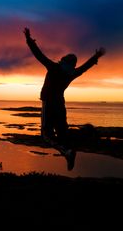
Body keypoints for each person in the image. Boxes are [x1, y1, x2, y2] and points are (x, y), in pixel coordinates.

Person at [23, 27, 106, 170]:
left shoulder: (54, 68)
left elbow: (38, 55)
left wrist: (29, 40)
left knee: (46, 135)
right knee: (63, 134)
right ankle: (83, 136)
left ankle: (67, 152)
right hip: (60, 105)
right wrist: (96, 57)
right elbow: (84, 67)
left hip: (49, 103)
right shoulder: (72, 73)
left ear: (63, 60)